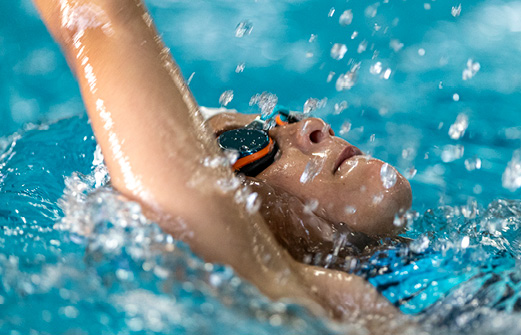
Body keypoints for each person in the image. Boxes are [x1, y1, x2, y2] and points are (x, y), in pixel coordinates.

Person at [33, 0, 413, 333]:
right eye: (246, 144)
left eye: (285, 120)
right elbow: (96, 21)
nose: (314, 126)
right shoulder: (308, 298)